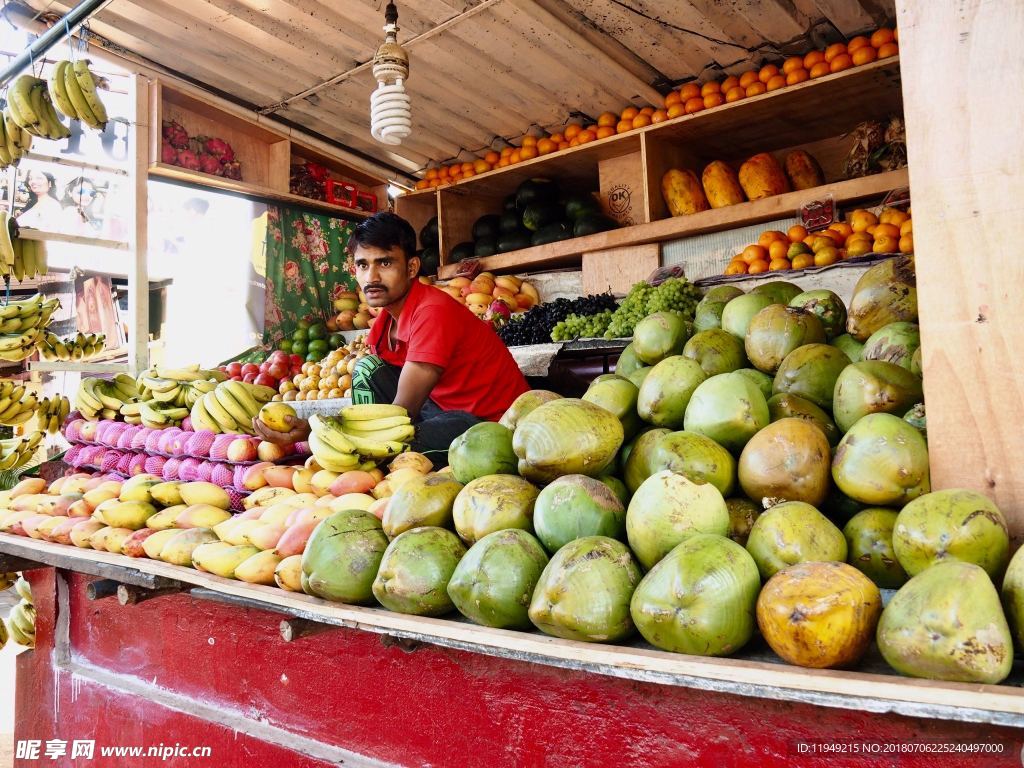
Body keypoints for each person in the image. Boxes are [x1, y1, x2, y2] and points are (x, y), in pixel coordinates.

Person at [256, 212, 529, 454]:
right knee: (368, 369)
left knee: (400, 441)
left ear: (411, 267)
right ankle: (365, 451)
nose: (371, 277)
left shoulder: (432, 311)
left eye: (384, 263)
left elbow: (402, 411)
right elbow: (381, 409)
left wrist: (316, 431)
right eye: (363, 265)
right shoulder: (383, 326)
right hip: (444, 410)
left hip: (491, 427)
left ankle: (368, 453)